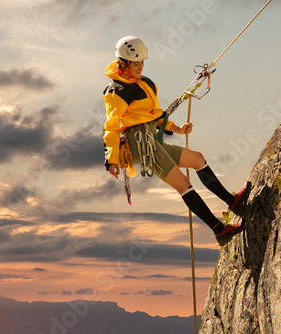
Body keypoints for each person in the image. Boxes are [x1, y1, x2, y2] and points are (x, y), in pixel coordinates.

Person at [103, 36, 251, 246]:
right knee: (184, 184)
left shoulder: (146, 83)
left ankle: (232, 202)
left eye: (142, 62)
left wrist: (178, 129)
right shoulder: (115, 92)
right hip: (140, 145)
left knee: (197, 159)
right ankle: (219, 230)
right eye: (136, 64)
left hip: (151, 138)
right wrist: (111, 159)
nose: (141, 67)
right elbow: (110, 127)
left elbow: (156, 115)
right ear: (123, 63)